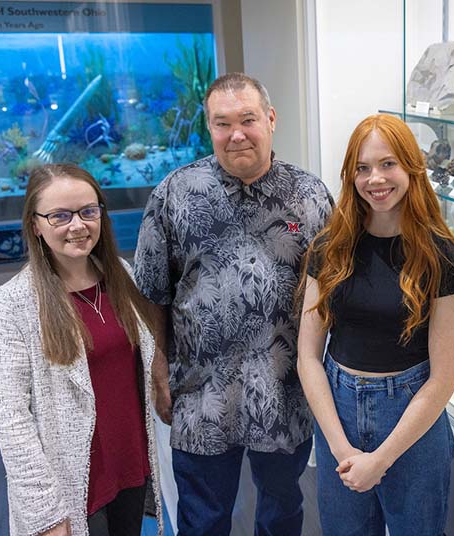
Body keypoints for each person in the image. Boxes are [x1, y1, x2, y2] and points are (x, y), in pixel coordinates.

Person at [133, 72, 333, 535]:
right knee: (203, 518)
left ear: (271, 119)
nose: (236, 134)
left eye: (247, 119)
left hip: (284, 393)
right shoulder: (175, 194)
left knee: (282, 512)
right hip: (202, 395)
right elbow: (151, 289)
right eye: (222, 124)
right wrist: (159, 368)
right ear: (209, 128)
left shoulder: (311, 198)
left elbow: (333, 292)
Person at [297, 113, 454, 536]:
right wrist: (341, 447)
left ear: (411, 167)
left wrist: (380, 459)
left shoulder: (440, 254)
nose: (375, 178)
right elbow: (308, 357)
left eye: (387, 164)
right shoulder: (330, 246)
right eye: (363, 167)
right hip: (338, 413)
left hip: (411, 417)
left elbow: (444, 378)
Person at [0, 164, 163, 536]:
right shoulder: (12, 304)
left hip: (130, 470)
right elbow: (13, 421)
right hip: (71, 487)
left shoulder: (122, 276)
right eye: (59, 216)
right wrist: (45, 515)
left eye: (88, 211)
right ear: (35, 225)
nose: (78, 226)